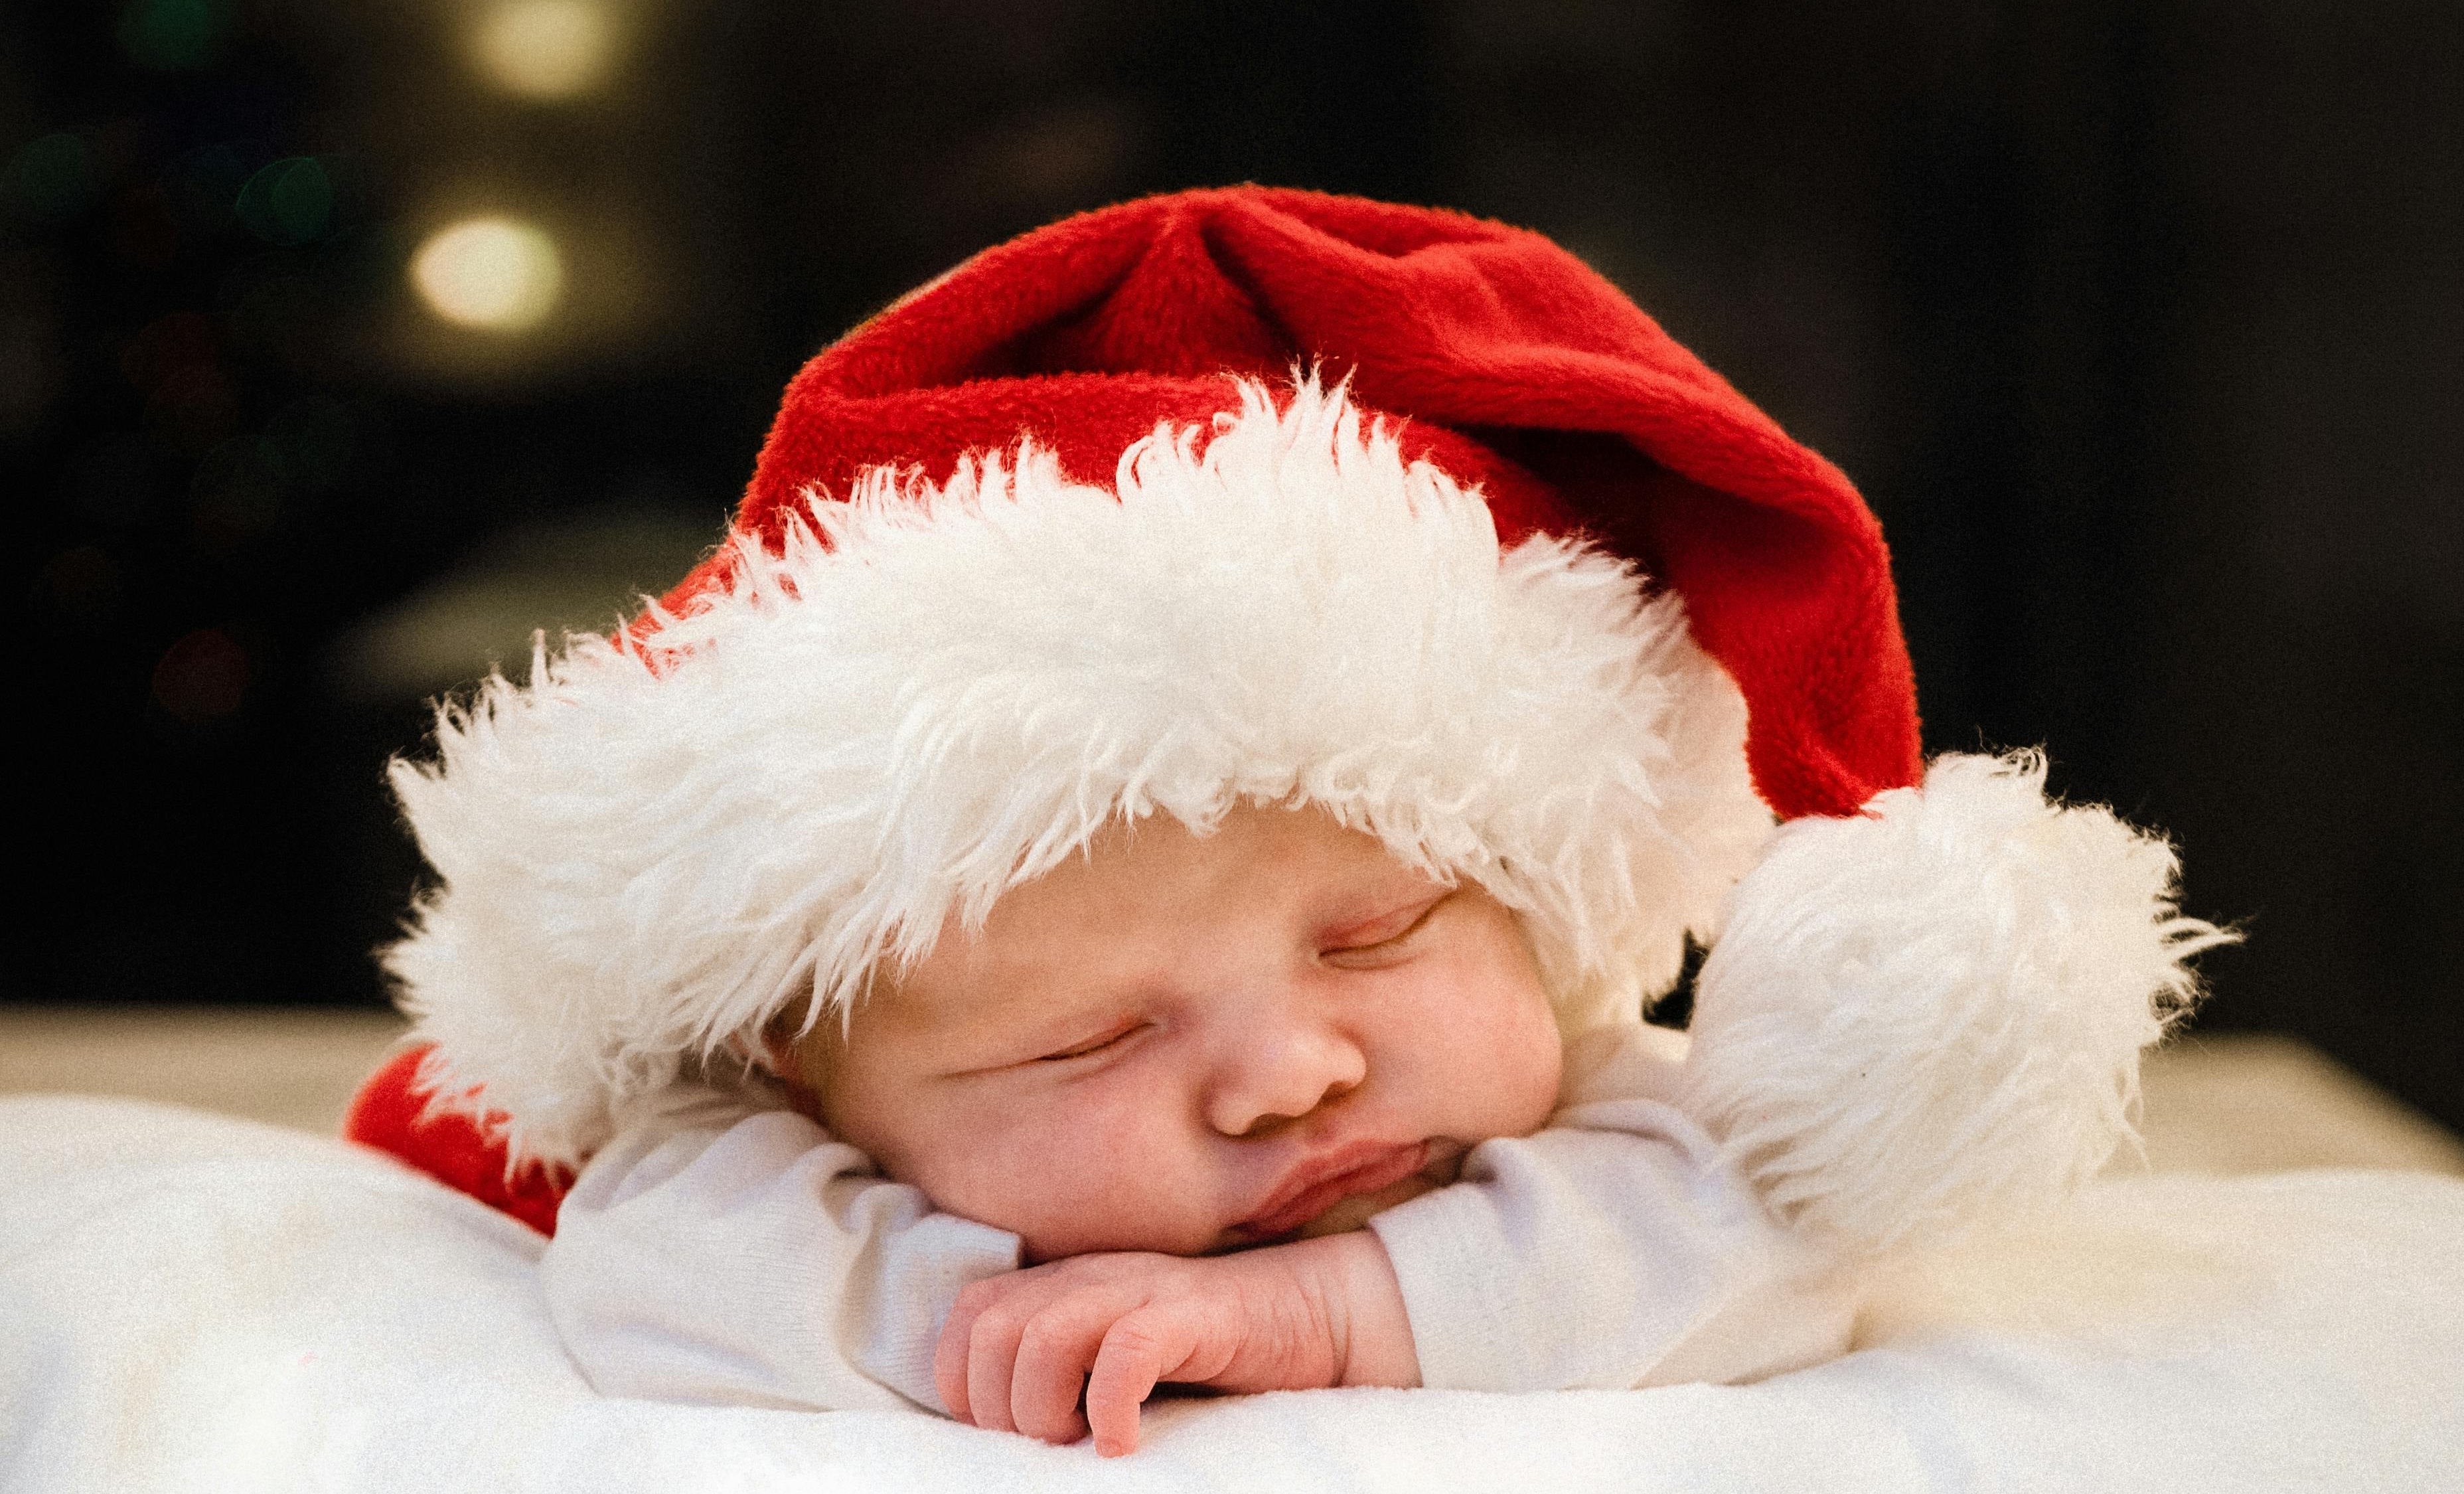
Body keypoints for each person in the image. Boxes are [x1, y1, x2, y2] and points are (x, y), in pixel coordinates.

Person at [345, 187, 2218, 1457]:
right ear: (806, 1071)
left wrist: (1339, 1310)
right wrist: (963, 1318)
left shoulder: (1599, 1111)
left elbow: (1787, 1248)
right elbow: (655, 1282)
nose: (1289, 1070)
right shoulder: (744, 1153)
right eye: (1088, 1033)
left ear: (1523, 894)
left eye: (1378, 930)